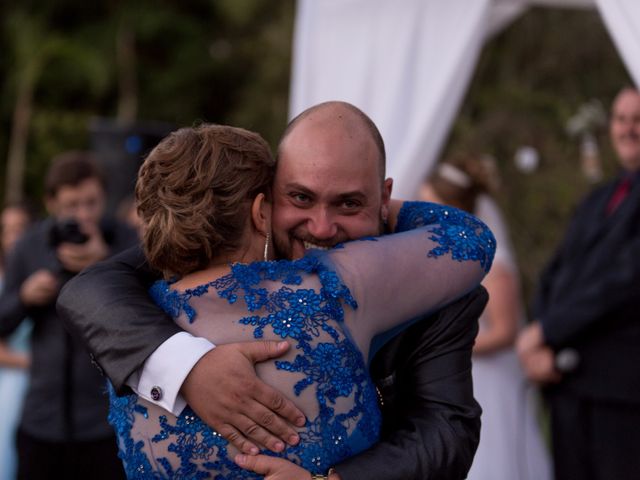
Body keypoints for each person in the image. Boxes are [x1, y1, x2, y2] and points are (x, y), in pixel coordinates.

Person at [59, 102, 488, 479]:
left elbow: (447, 431)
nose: (321, 228)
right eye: (300, 198)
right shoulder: (150, 286)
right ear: (264, 204)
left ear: (384, 198)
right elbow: (88, 290)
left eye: (349, 203)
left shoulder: (439, 286)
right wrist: (186, 366)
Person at [517, 87, 640, 480]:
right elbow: (556, 272)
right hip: (567, 384)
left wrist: (546, 331)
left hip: (621, 390)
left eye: (638, 119)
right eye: (620, 119)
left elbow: (625, 281)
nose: (627, 128)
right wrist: (540, 341)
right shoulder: (598, 198)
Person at [0, 152, 138, 479]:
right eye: (71, 205)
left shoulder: (126, 241)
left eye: (92, 203)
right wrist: (25, 297)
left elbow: (144, 315)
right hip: (41, 419)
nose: (83, 214)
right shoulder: (29, 245)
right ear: (51, 203)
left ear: (105, 196)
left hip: (107, 424)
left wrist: (105, 263)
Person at [420, 155, 551, 480]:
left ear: (453, 208)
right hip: (458, 376)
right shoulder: (448, 258)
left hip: (489, 381)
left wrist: (444, 345)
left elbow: (506, 331)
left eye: (432, 207)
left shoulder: (495, 263)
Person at [0, 202, 33, 479]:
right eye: (7, 230)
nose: (13, 237)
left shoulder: (41, 278)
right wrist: (37, 363)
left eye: (20, 229)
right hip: (14, 375)